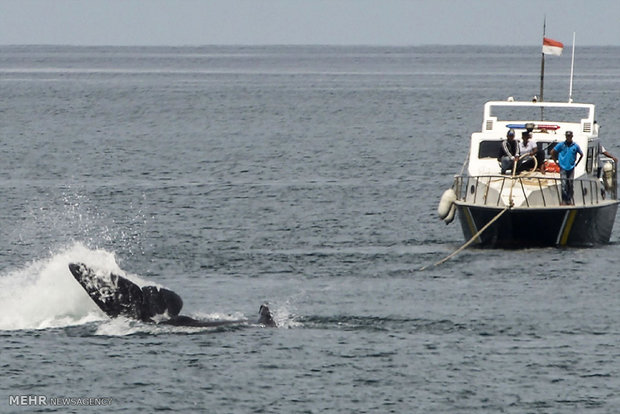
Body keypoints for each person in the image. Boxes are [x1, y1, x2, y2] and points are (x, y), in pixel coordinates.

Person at [551, 131, 583, 205]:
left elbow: (581, 154)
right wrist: (556, 162)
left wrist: (576, 163)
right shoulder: (561, 145)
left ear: (572, 136)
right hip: (563, 167)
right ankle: (564, 200)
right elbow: (552, 152)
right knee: (563, 184)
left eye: (569, 136)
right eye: (567, 136)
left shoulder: (575, 146)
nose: (568, 137)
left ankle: (569, 200)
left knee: (570, 184)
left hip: (571, 167)